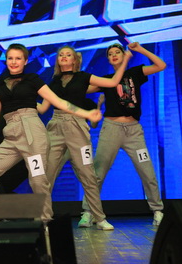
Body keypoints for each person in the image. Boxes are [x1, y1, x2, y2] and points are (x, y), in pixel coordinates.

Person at [0, 43, 101, 222]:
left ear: (25, 61)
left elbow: (58, 101)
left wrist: (86, 113)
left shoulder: (33, 79)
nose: (14, 62)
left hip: (32, 132)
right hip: (11, 134)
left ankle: (44, 220)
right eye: (10, 58)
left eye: (18, 58)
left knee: (37, 179)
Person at [37, 45, 132, 230]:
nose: (64, 57)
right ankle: (43, 218)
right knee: (46, 174)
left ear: (75, 60)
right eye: (61, 55)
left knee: (88, 174)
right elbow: (43, 108)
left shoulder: (83, 77)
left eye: (68, 55)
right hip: (55, 126)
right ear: (58, 60)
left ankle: (99, 218)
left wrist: (125, 60)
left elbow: (113, 82)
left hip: (77, 127)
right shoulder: (53, 81)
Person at [80, 42, 166, 227]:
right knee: (98, 172)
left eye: (117, 52)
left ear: (123, 54)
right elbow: (81, 89)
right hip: (111, 129)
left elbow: (161, 65)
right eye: (110, 54)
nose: (113, 55)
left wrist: (140, 49)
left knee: (147, 171)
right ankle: (88, 212)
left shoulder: (135, 73)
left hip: (134, 131)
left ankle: (158, 211)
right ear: (108, 60)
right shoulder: (106, 79)